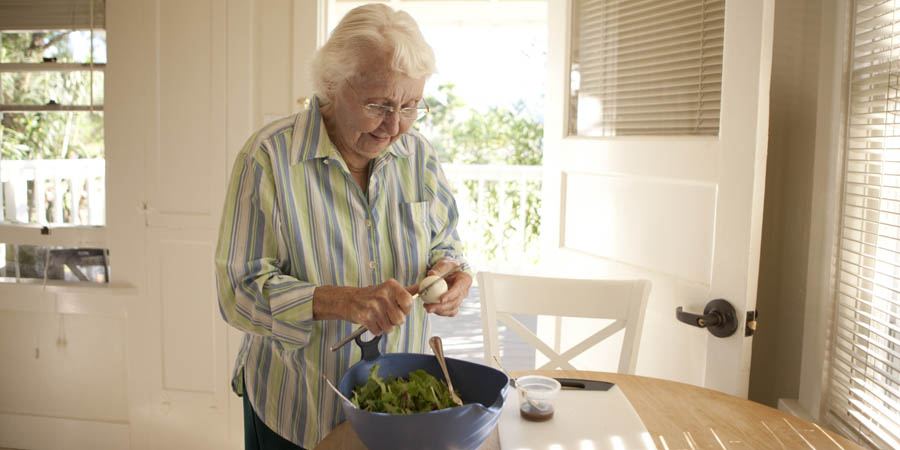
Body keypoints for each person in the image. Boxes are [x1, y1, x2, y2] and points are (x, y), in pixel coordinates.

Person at [214, 4, 472, 449]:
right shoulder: (268, 159)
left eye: (411, 106)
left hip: (395, 408)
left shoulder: (419, 155)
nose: (394, 127)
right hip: (297, 406)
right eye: (379, 105)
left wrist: (451, 272)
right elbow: (237, 293)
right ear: (331, 84)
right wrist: (344, 302)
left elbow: (445, 241)